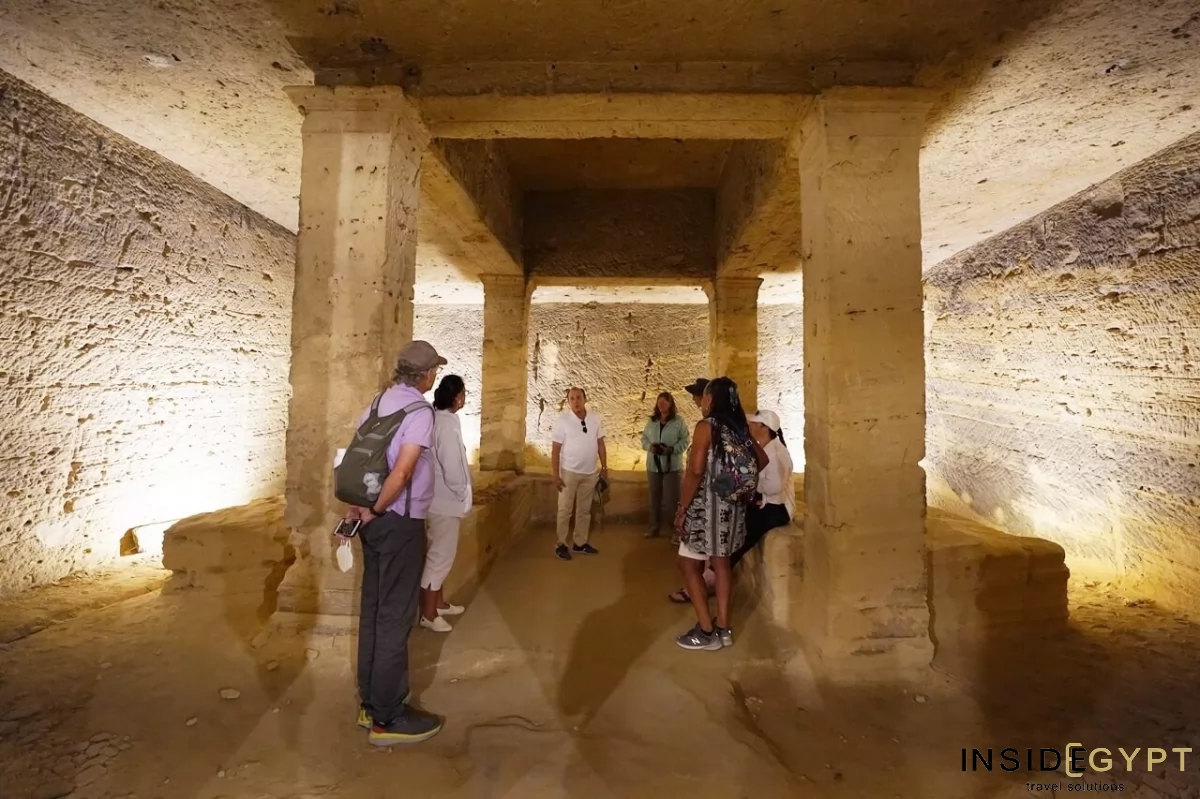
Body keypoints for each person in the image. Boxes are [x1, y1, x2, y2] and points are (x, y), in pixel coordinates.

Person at [343, 340, 445, 746]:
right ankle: (388, 717)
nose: (434, 376)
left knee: (373, 609)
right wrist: (377, 509)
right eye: (433, 370)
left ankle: (370, 704)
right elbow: (401, 473)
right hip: (398, 520)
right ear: (424, 375)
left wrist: (358, 509)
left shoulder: (376, 402)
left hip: (371, 520)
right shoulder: (419, 412)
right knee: (394, 618)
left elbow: (353, 459)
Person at [673, 377, 768, 651]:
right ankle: (724, 628)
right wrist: (733, 483)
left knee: (688, 564)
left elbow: (695, 471)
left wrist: (682, 508)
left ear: (711, 399)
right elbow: (762, 460)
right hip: (732, 511)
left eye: (704, 397)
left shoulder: (707, 427)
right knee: (722, 564)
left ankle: (706, 630)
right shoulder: (738, 428)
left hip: (704, 509)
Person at [668, 409, 794, 603]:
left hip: (778, 509)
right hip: (767, 503)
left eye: (753, 424)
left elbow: (774, 487)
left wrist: (747, 481)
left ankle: (707, 580)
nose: (750, 427)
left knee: (740, 535)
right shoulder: (766, 447)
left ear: (763, 427)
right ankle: (711, 577)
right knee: (732, 527)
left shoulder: (777, 452)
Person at [419, 374, 473, 634]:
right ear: (456, 397)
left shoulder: (440, 418)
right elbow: (452, 466)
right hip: (445, 502)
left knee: (440, 555)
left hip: (438, 500)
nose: (464, 398)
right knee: (439, 558)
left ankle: (438, 604)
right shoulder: (447, 425)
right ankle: (428, 614)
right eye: (463, 393)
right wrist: (462, 491)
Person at [551, 387, 608, 560]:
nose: (575, 401)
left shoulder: (595, 419)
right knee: (565, 510)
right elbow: (555, 450)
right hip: (569, 472)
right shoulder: (563, 421)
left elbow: (600, 444)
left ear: (585, 399)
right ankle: (561, 544)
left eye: (578, 398)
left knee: (584, 510)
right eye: (572, 398)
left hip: (590, 473)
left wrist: (604, 468)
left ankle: (580, 542)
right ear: (568, 402)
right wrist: (555, 474)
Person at [640, 392, 689, 538]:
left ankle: (675, 530)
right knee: (654, 497)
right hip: (654, 465)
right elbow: (644, 439)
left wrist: (672, 449)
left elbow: (685, 440)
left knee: (672, 499)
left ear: (671, 404)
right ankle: (654, 527)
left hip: (671, 466)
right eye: (659, 402)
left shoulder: (678, 422)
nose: (661, 405)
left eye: (665, 402)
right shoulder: (652, 421)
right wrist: (650, 447)